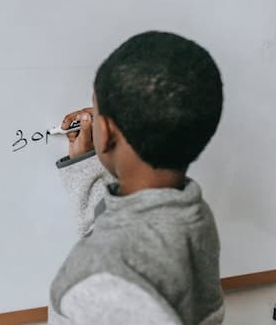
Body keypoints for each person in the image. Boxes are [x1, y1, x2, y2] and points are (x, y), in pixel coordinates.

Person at [49, 31, 225, 325]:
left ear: (103, 133)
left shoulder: (98, 281)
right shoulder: (191, 215)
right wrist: (85, 163)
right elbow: (117, 226)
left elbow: (114, 252)